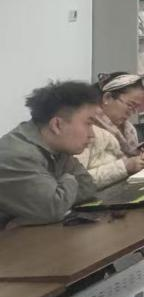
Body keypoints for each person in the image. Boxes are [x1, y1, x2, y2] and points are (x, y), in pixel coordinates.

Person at [0, 81, 100, 228]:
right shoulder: (17, 155)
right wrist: (69, 177)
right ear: (57, 125)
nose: (92, 135)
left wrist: (61, 190)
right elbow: (53, 208)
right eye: (88, 124)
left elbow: (87, 187)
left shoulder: (58, 148)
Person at [76, 73, 144, 187]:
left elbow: (130, 162)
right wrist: (125, 167)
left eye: (136, 108)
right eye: (130, 105)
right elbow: (77, 182)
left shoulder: (129, 130)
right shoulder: (86, 131)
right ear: (107, 98)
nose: (132, 113)